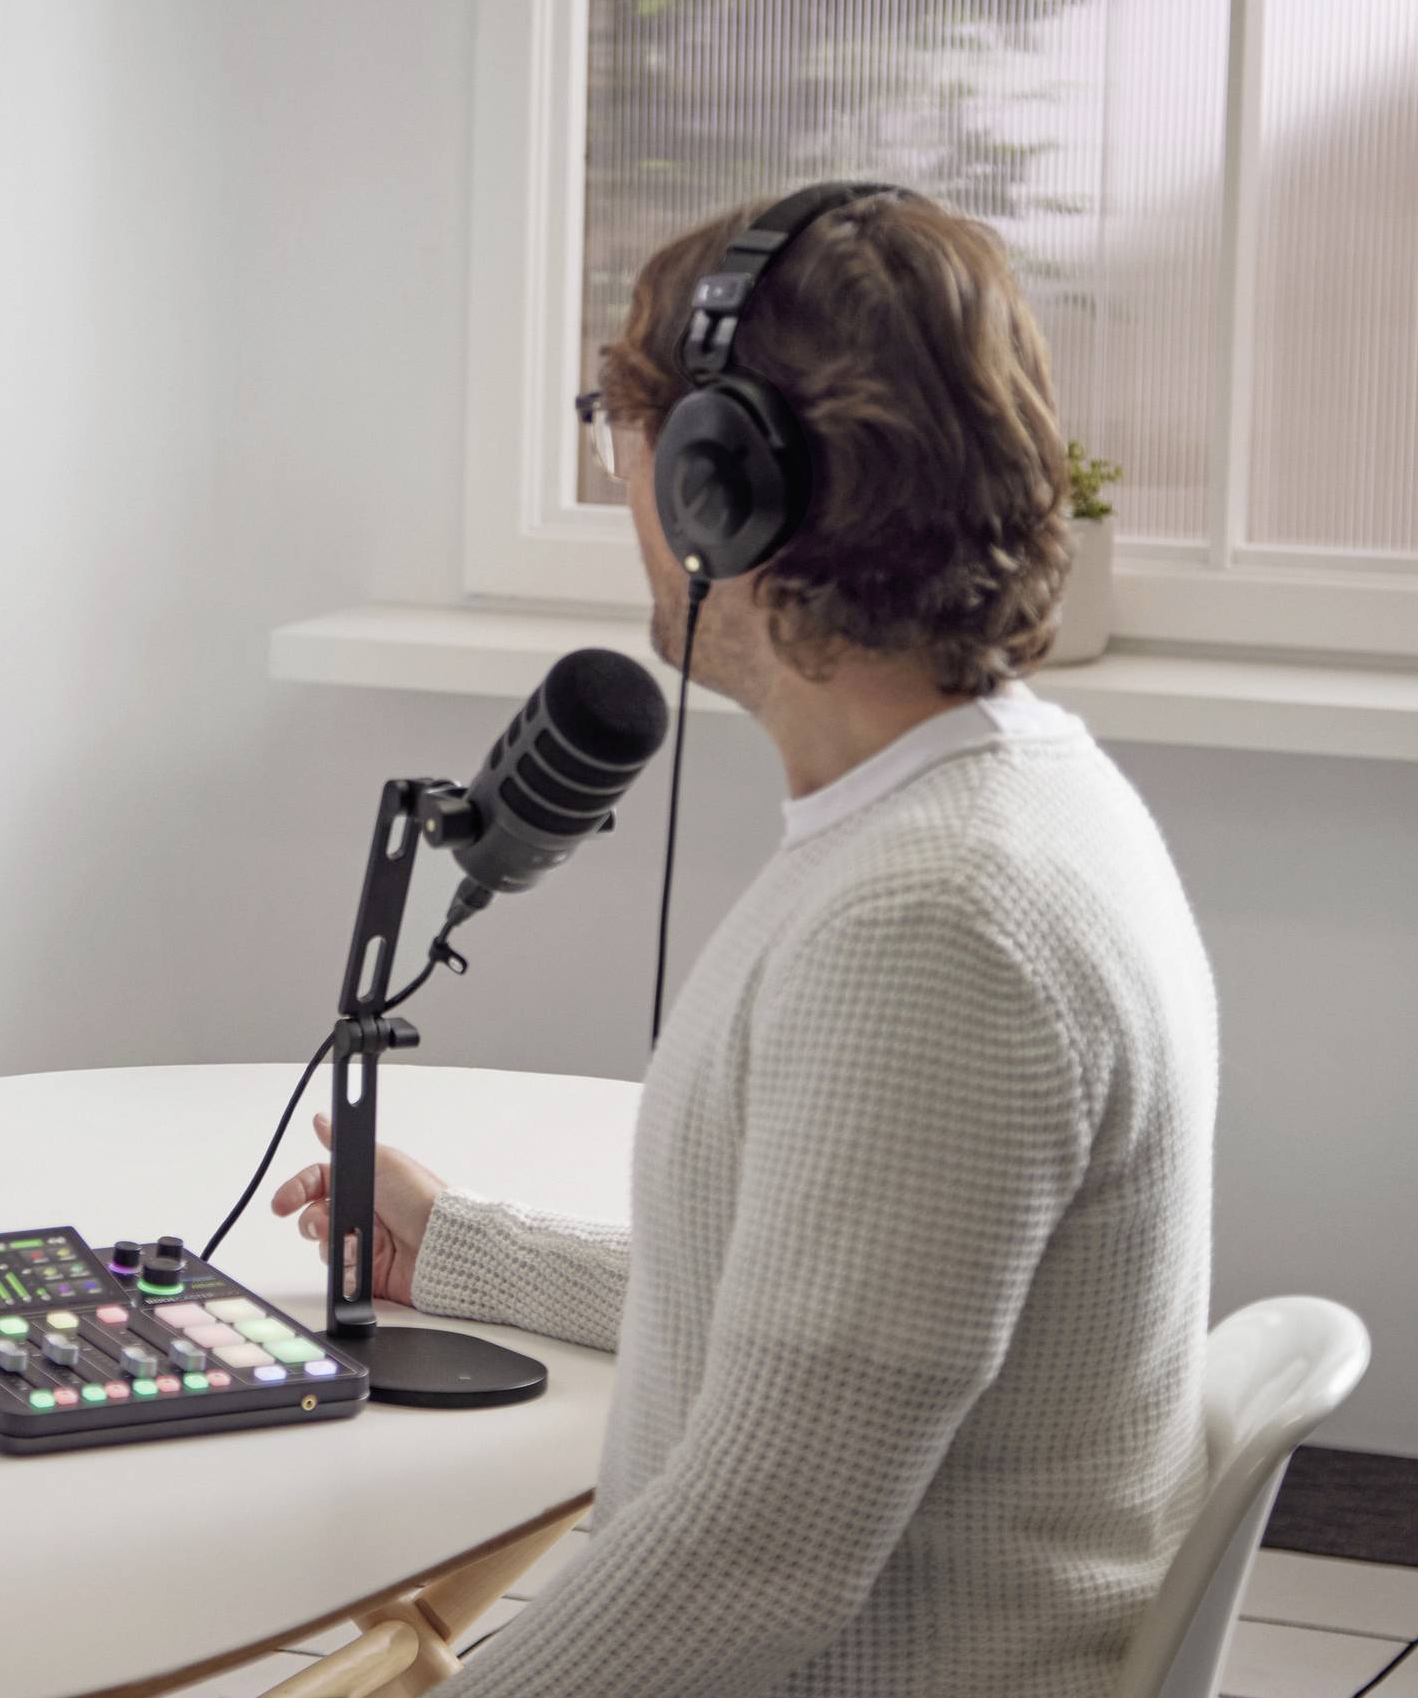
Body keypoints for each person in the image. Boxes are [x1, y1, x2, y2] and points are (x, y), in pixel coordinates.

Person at [274, 189, 1219, 1695]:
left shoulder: (937, 927)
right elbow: (809, 1345)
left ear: (724, 487)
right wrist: (465, 1247)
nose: (623, 494)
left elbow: (753, 1556)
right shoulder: (1006, 811)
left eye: (624, 435)